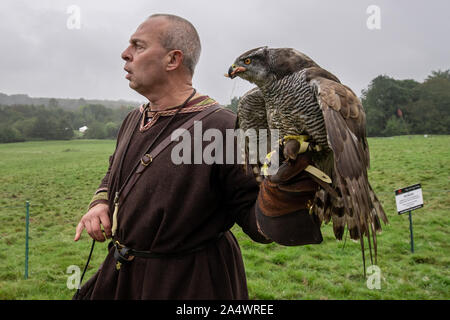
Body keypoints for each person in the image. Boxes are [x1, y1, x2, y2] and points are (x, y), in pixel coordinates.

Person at [73, 13, 321, 300]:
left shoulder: (226, 126)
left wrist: (285, 192)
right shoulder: (133, 118)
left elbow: (256, 221)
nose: (125, 54)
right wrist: (100, 203)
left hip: (192, 282)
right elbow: (114, 171)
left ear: (172, 60)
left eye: (138, 46)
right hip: (123, 274)